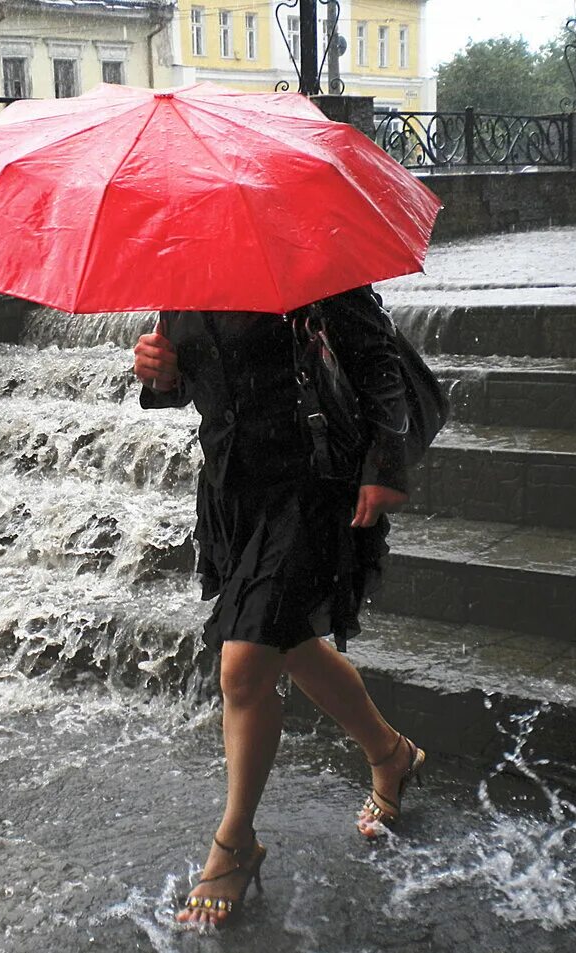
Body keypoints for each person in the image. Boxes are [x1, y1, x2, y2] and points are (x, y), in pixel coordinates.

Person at [133, 285, 426, 929]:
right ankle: (390, 753)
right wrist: (160, 371)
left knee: (242, 666)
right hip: (233, 492)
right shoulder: (184, 273)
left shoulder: (312, 265)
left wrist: (385, 465)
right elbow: (193, 383)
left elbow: (378, 365)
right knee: (287, 644)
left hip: (310, 488)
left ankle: (235, 842)